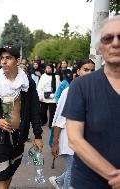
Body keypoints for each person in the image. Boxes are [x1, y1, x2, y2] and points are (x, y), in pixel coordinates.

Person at [63, 16, 120, 189]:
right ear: (100, 47)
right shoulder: (81, 85)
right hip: (88, 183)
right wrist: (114, 176)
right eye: (108, 38)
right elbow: (74, 139)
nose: (115, 43)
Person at [0, 46, 43, 189]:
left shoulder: (27, 83)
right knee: (2, 179)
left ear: (18, 61)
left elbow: (34, 110)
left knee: (9, 174)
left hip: (18, 137)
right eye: (2, 58)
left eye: (8, 58)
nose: (3, 61)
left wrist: (38, 135)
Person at [49, 59, 95, 189]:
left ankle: (58, 181)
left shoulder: (94, 92)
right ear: (78, 71)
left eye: (92, 70)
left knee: (78, 170)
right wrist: (55, 142)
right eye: (86, 70)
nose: (89, 73)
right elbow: (58, 120)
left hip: (85, 140)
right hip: (68, 140)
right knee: (74, 172)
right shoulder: (68, 92)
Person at [37, 64, 60, 128]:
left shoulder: (56, 76)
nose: (48, 69)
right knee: (43, 111)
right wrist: (40, 95)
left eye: (49, 68)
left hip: (53, 97)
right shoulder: (43, 76)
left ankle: (51, 124)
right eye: (47, 68)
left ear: (52, 69)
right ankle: (43, 121)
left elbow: (58, 86)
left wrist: (55, 95)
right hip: (44, 96)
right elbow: (40, 86)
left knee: (52, 111)